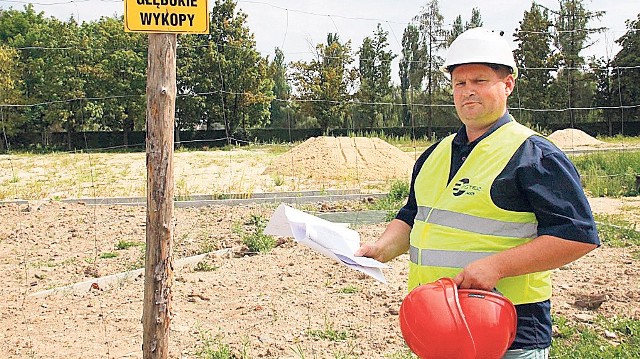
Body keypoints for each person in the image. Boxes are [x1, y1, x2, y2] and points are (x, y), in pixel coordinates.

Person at [355, 27, 600, 359]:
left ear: (508, 84)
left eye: (480, 81)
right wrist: (382, 247)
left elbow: (577, 235)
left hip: (506, 333)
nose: (468, 91)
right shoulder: (434, 154)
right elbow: (413, 216)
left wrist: (496, 266)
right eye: (460, 83)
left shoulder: (534, 156)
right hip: (436, 327)